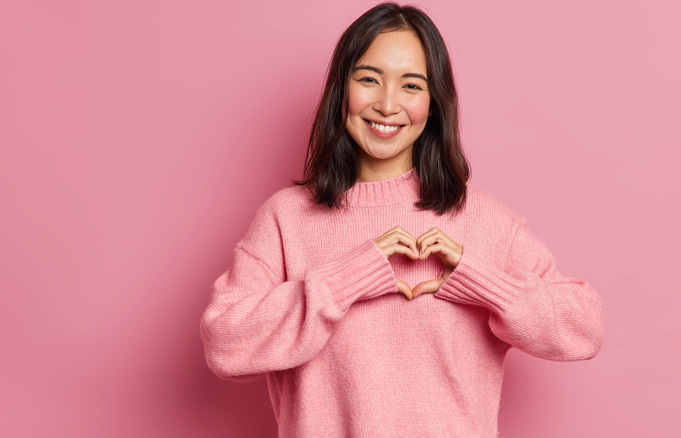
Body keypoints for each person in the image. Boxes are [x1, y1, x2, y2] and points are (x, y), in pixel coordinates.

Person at [200, 3, 604, 437]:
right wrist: (348, 278)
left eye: (411, 85)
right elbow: (225, 345)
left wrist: (478, 280)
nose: (388, 104)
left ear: (433, 105)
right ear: (342, 90)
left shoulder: (484, 221)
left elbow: (583, 329)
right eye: (369, 79)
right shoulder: (286, 219)